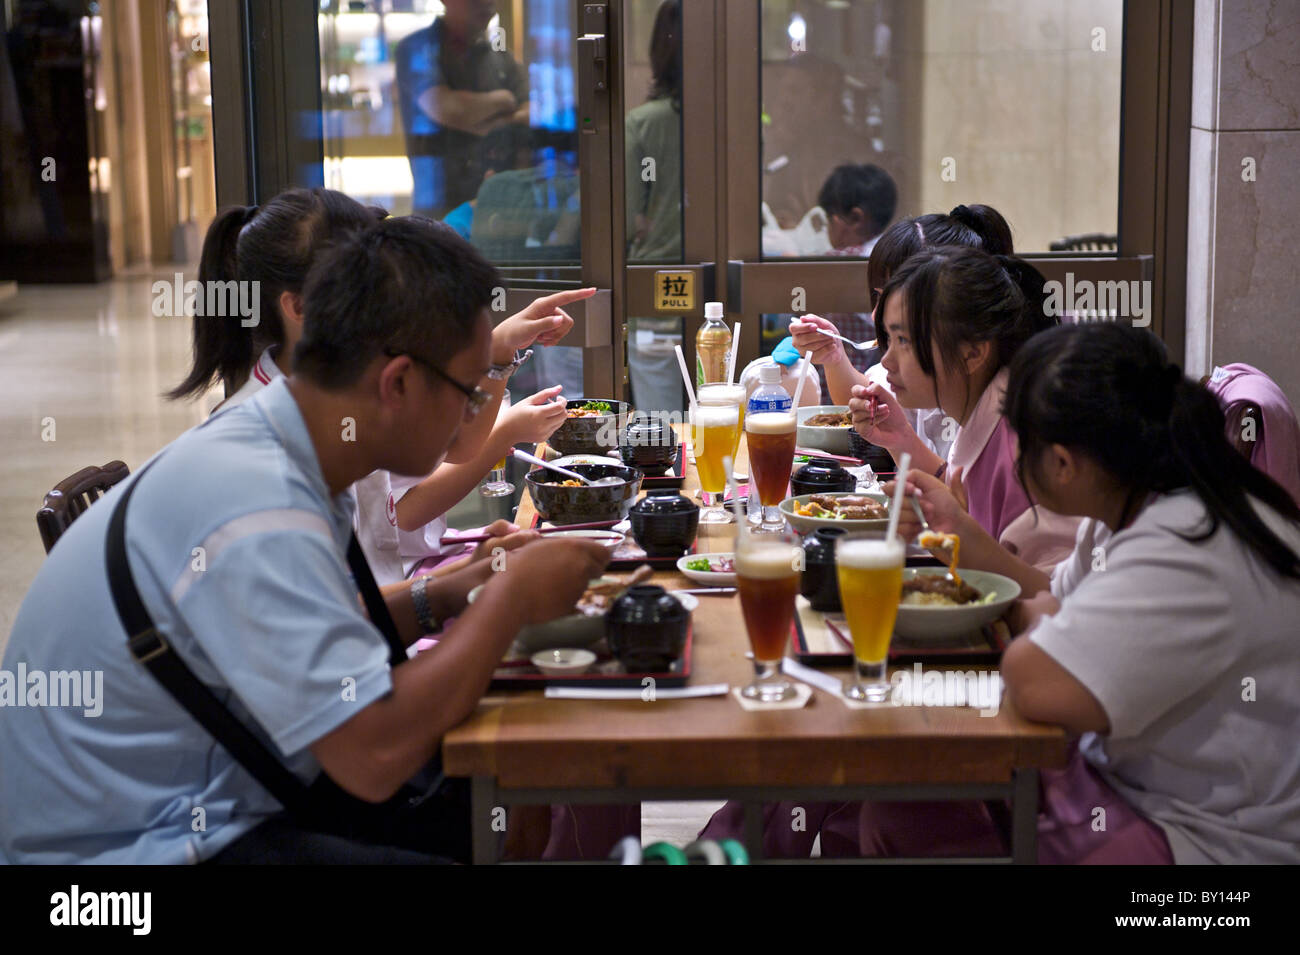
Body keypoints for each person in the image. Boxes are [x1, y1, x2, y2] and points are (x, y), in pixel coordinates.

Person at [0, 216, 611, 863]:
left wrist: (455, 589)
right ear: (397, 381)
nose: (471, 421)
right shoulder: (261, 503)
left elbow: (335, 637)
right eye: (468, 391)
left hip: (195, 801)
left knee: (490, 802)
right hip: (109, 858)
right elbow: (372, 754)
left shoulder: (286, 440)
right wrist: (509, 599)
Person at [863, 322, 1300, 863]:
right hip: (1131, 788)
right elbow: (1051, 603)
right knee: (905, 808)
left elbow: (1036, 682)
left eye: (1023, 447)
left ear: (1063, 464)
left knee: (917, 801)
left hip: (1206, 844)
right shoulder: (1137, 501)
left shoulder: (1185, 539)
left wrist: (1023, 630)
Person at [790, 203, 1012, 435]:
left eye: (893, 300)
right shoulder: (926, 373)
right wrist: (835, 357)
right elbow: (870, 401)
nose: (876, 315)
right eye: (877, 296)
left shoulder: (994, 411)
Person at [394, 0, 530, 219]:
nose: (488, 3)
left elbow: (531, 113)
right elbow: (447, 108)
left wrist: (474, 116)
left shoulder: (501, 57)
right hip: (439, 208)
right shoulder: (417, 48)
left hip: (498, 208)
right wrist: (503, 100)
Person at [625, 0, 686, 416]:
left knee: (660, 427)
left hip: (657, 291)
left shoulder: (643, 123)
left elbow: (630, 218)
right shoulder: (736, 122)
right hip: (726, 298)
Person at [811, 163, 897, 399]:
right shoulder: (892, 253)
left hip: (848, 381)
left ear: (855, 218)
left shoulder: (842, 260)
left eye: (830, 219)